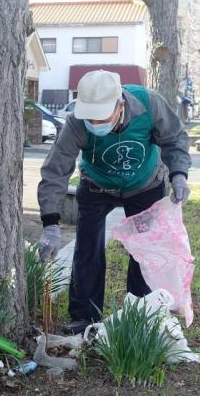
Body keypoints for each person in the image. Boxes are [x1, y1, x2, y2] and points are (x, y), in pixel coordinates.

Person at [37, 70, 191, 335]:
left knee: (145, 251)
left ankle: (140, 313)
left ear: (120, 105)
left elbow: (174, 138)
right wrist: (50, 223)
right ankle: (84, 316)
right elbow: (56, 169)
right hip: (96, 184)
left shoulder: (150, 105)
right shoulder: (76, 123)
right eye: (91, 119)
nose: (95, 123)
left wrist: (178, 175)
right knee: (87, 248)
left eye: (102, 118)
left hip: (145, 184)